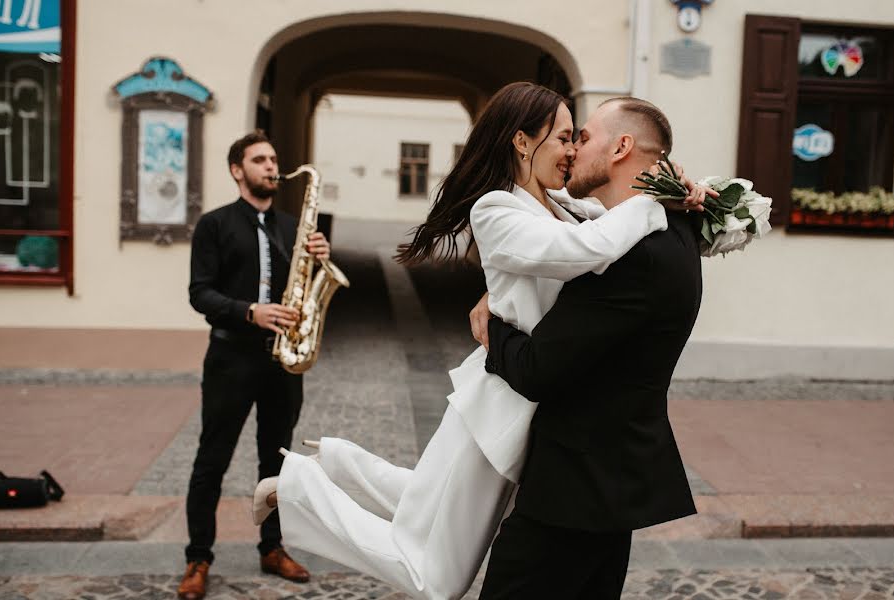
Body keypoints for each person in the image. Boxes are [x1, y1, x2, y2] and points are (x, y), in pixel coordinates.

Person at [256, 83, 707, 600]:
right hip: (500, 402)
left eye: (577, 137)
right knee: (437, 572)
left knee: (428, 501)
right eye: (565, 137)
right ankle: (299, 486)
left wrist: (681, 191)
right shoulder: (497, 207)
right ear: (522, 142)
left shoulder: (563, 204)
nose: (572, 150)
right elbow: (591, 248)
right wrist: (656, 201)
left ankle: (333, 461)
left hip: (526, 409)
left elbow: (612, 228)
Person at [477, 97, 703, 599]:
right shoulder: (676, 227)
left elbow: (537, 369)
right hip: (610, 485)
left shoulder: (630, 258)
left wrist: (493, 325)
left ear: (622, 146)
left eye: (582, 137)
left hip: (573, 493)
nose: (572, 150)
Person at [178, 131, 331, 600]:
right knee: (212, 460)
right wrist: (251, 311)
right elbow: (199, 293)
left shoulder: (293, 228)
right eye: (259, 159)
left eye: (273, 158)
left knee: (277, 463)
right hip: (231, 356)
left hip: (281, 361)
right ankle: (198, 558)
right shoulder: (214, 225)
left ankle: (272, 547)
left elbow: (302, 290)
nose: (270, 166)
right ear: (236, 170)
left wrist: (319, 261)